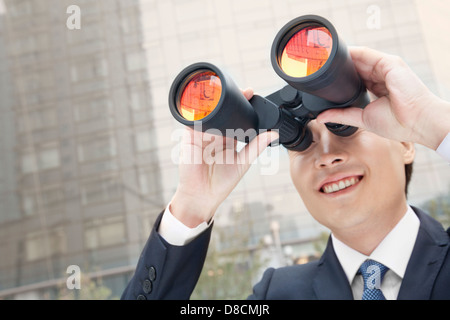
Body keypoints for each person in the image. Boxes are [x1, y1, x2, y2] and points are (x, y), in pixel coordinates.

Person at [121, 47, 450, 300]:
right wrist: (191, 206)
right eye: (302, 144)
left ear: (407, 143)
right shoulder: (277, 293)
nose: (326, 156)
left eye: (347, 128)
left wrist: (433, 122)